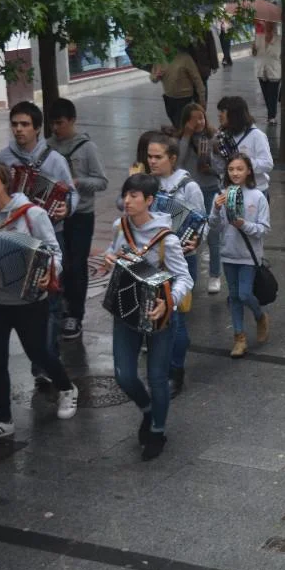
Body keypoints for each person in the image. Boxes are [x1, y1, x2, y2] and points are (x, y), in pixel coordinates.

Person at [0, 161, 78, 445]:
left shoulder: (32, 214)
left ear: (4, 181)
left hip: (29, 301)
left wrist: (49, 273)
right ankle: (3, 419)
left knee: (38, 353)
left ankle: (67, 387)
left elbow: (55, 252)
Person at [105, 174, 193, 461]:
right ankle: (147, 409)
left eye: (134, 196)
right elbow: (112, 253)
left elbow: (185, 279)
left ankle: (157, 430)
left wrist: (168, 303)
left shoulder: (167, 238)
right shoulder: (120, 227)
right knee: (124, 376)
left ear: (149, 200)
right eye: (125, 195)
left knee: (157, 377)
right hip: (126, 310)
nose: (127, 201)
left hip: (160, 317)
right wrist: (109, 258)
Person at [0, 101, 78, 385]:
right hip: (16, 238)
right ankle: (41, 354)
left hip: (50, 234)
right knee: (26, 301)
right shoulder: (3, 159)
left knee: (50, 300)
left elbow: (71, 193)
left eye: (25, 124)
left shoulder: (54, 160)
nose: (19, 129)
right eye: (15, 124)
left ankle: (44, 362)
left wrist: (66, 207)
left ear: (37, 128)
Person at [147, 134, 205, 397]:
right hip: (152, 260)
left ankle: (176, 370)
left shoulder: (188, 187)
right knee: (158, 315)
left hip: (180, 259)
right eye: (150, 156)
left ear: (172, 158)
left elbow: (201, 221)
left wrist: (196, 240)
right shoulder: (147, 182)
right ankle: (161, 366)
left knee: (177, 318)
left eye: (157, 157)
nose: (152, 161)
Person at [47, 98, 108, 341]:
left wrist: (78, 182)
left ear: (72, 120)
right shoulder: (47, 147)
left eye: (60, 123)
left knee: (77, 264)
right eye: (52, 123)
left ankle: (75, 314)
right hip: (54, 215)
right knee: (58, 262)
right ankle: (60, 305)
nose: (55, 128)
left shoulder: (87, 147)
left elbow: (102, 181)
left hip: (81, 214)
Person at [214, 154, 272, 358]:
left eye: (239, 169)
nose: (235, 173)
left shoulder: (257, 197)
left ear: (248, 171)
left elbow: (264, 229)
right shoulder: (221, 195)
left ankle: (260, 315)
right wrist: (216, 210)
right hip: (228, 254)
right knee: (234, 297)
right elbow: (214, 227)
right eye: (231, 169)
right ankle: (239, 337)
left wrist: (244, 225)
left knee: (244, 294)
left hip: (249, 256)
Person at [176, 104, 224, 295]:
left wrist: (210, 163)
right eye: (194, 118)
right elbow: (177, 162)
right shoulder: (181, 139)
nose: (199, 122)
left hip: (211, 189)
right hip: (190, 193)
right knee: (189, 236)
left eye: (202, 117)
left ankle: (215, 275)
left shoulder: (214, 136)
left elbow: (223, 165)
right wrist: (186, 136)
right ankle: (188, 275)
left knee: (213, 234)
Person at [217, 96, 274, 201]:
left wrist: (245, 164)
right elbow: (220, 167)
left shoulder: (256, 135)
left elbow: (268, 164)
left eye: (223, 111)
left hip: (255, 190)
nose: (219, 115)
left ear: (234, 114)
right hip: (232, 191)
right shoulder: (222, 136)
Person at [150, 48, 206, 126]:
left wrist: (202, 99)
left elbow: (197, 79)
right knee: (175, 123)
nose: (164, 47)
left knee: (181, 125)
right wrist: (156, 76)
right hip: (169, 98)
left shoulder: (185, 58)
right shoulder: (159, 58)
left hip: (184, 99)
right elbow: (153, 78)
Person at [253, 21, 282, 125]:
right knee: (266, 95)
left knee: (272, 96)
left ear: (274, 26)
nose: (268, 26)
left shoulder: (279, 40)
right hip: (261, 71)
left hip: (274, 71)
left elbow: (282, 56)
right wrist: (253, 48)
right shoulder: (259, 37)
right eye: (267, 24)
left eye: (271, 25)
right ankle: (271, 115)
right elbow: (254, 54)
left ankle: (272, 117)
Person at [188, 28, 219, 107]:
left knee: (201, 87)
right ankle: (199, 107)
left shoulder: (206, 31)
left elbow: (211, 48)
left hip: (201, 68)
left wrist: (214, 65)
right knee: (199, 88)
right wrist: (214, 65)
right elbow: (212, 48)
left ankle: (201, 107)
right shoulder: (186, 31)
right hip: (196, 67)